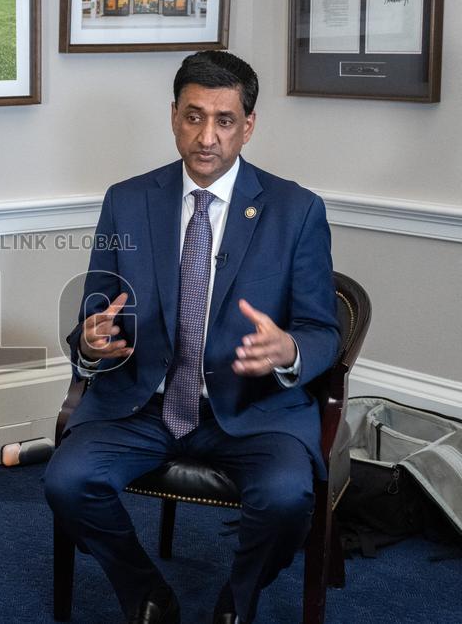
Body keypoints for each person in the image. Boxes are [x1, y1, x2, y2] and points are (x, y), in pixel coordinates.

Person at [44, 51, 339, 624]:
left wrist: (290, 351)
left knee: (285, 500)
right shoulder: (127, 201)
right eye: (193, 116)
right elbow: (99, 313)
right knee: (67, 481)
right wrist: (90, 342)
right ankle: (146, 592)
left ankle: (239, 599)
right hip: (142, 403)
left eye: (225, 120)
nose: (207, 137)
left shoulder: (295, 210)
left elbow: (322, 330)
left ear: (248, 125)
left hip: (253, 409)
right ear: (173, 116)